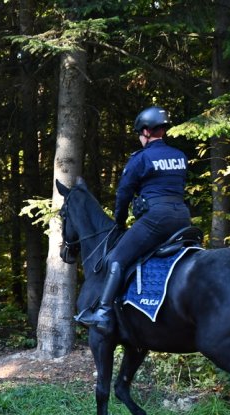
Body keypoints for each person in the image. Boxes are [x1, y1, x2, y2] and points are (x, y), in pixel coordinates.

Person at [79, 106, 191, 335]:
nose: (140, 138)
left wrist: (119, 221)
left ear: (147, 132)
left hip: (156, 219)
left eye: (140, 133)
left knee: (116, 258)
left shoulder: (141, 158)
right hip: (182, 217)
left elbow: (123, 194)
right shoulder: (179, 156)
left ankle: (103, 312)